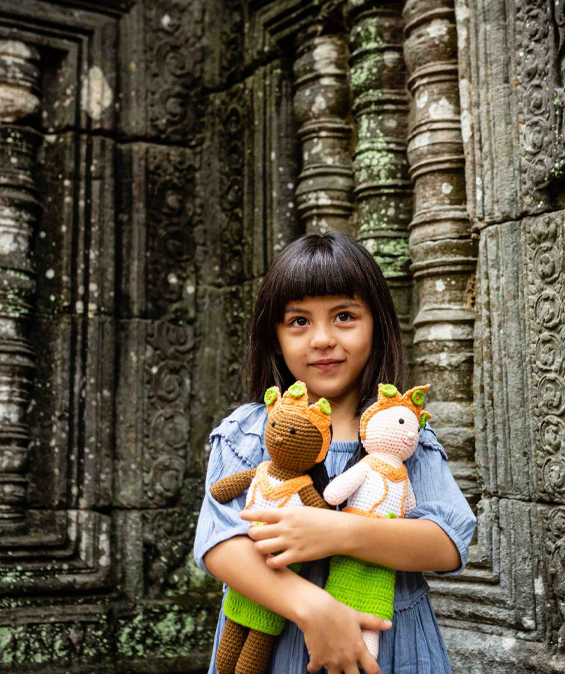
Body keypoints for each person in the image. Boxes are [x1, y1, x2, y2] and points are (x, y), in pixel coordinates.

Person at [193, 232, 477, 674]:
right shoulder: (250, 431)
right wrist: (315, 610)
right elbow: (219, 544)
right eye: (299, 321)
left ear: (377, 326)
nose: (322, 339)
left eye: (344, 316)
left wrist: (336, 531)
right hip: (278, 646)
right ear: (275, 336)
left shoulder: (401, 434)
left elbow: (446, 542)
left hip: (391, 647)